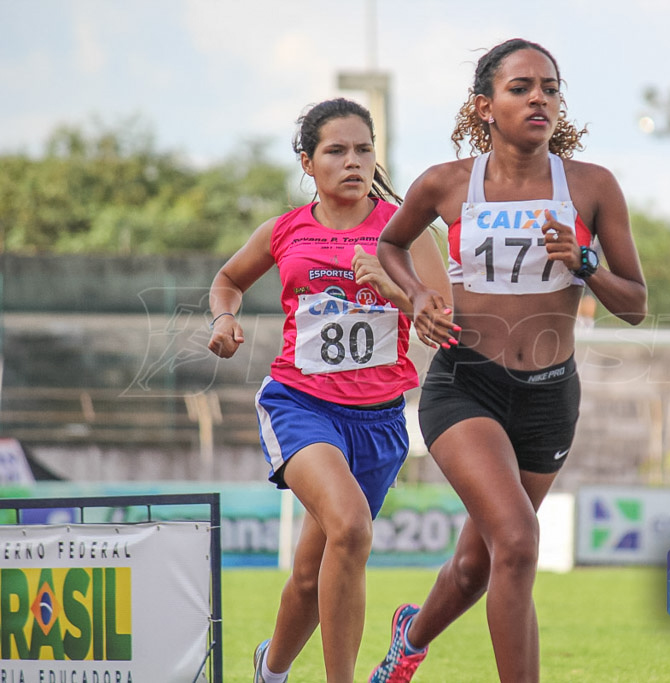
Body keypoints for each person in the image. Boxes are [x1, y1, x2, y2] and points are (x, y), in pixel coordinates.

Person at [368, 38, 647, 683]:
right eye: (520, 87)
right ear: (485, 105)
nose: (539, 98)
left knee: (477, 566)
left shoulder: (591, 186)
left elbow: (633, 304)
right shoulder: (444, 183)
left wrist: (584, 262)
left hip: (551, 397)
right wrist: (419, 298)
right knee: (517, 545)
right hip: (468, 386)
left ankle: (409, 641)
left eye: (549, 87)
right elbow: (391, 245)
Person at [207, 97, 450, 683]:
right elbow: (227, 280)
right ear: (307, 163)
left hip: (379, 421)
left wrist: (395, 291)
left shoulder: (408, 234)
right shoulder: (285, 229)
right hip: (300, 404)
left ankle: (271, 669)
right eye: (336, 151)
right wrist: (222, 318)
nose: (353, 162)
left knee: (314, 572)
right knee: (351, 526)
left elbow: (444, 324)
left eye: (363, 149)